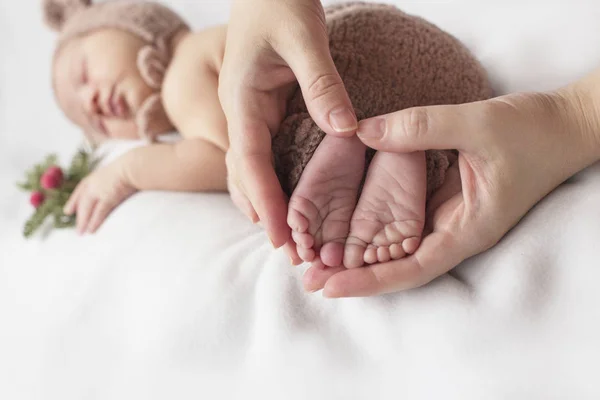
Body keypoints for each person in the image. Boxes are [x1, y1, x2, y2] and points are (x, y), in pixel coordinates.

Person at [218, 0, 600, 297]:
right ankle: (402, 154)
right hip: (424, 58)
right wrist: (571, 115)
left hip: (329, 50)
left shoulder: (187, 67)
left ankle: (330, 145)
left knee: (243, 154)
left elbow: (192, 153)